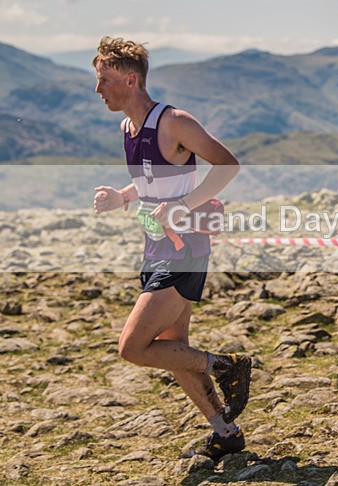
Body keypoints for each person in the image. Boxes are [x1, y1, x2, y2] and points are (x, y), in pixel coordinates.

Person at [92, 36, 250, 462]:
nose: (98, 89)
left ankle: (226, 364)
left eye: (104, 80)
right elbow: (150, 184)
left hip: (186, 248)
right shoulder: (127, 128)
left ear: (130, 80)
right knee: (173, 344)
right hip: (156, 247)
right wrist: (122, 198)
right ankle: (225, 432)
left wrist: (182, 206)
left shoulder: (173, 122)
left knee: (133, 347)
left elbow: (228, 164)